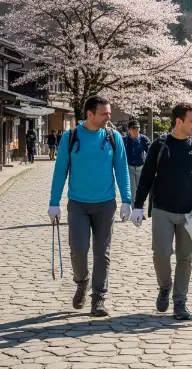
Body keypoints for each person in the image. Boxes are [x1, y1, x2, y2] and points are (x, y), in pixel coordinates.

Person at [48, 95, 132, 317]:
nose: (108, 118)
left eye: (109, 114)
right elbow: (60, 172)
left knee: (102, 253)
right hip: (78, 205)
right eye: (104, 114)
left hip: (105, 205)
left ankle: (99, 298)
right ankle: (82, 281)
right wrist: (53, 203)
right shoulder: (71, 137)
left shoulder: (113, 137)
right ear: (89, 114)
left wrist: (126, 199)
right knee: (78, 250)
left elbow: (121, 169)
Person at [130, 103, 192, 320]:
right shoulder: (160, 146)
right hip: (162, 210)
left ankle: (180, 301)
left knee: (185, 258)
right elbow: (147, 177)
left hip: (190, 212)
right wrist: (138, 206)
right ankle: (165, 286)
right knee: (161, 254)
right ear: (179, 121)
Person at [124, 120, 152, 207]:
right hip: (129, 168)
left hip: (141, 167)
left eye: (138, 128)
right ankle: (134, 208)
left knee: (141, 189)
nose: (136, 130)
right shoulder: (124, 140)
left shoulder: (144, 139)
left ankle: (141, 207)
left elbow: (150, 153)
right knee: (132, 190)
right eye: (134, 128)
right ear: (129, 130)